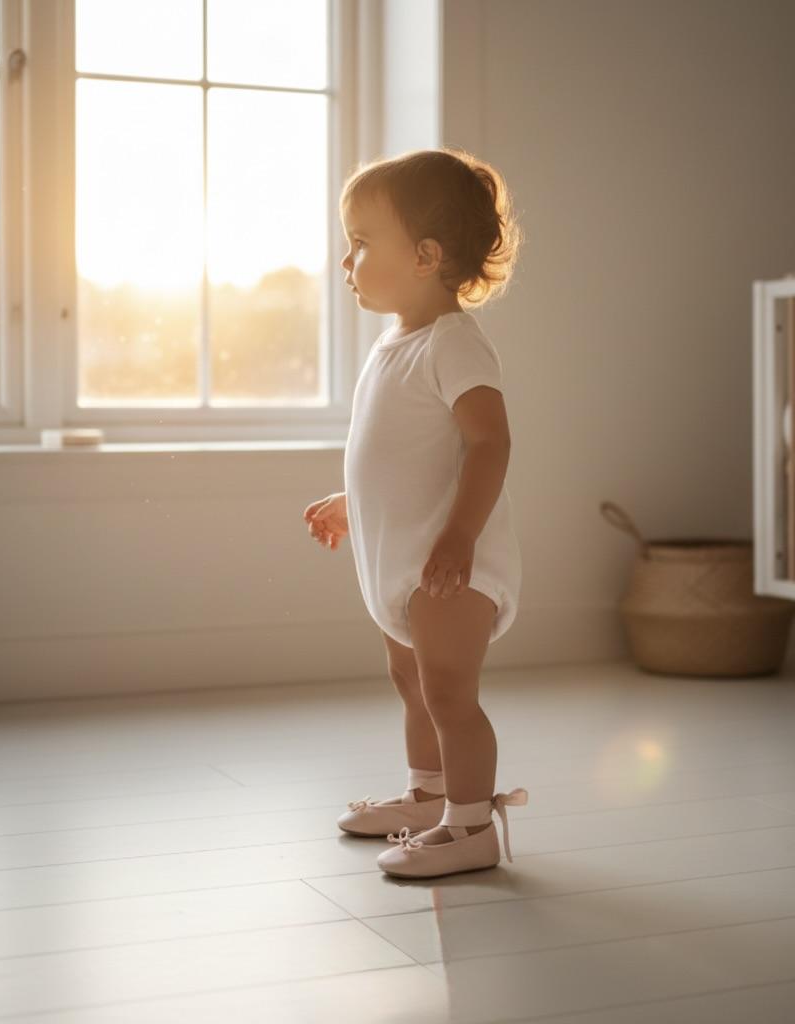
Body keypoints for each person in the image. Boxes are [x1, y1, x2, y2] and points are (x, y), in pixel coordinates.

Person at [302, 148, 527, 880]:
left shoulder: (454, 342)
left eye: (362, 243)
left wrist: (461, 535)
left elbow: (489, 443)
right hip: (404, 559)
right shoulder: (394, 342)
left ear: (425, 256)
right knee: (413, 686)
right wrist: (353, 503)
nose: (347, 261)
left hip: (451, 563)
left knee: (450, 694)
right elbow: (402, 452)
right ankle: (429, 796)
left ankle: (471, 826)